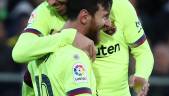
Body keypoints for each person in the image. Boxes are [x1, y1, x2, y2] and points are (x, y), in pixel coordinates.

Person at [13, 0, 154, 96]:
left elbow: (142, 51)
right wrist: (69, 36)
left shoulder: (119, 6)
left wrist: (142, 74)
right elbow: (20, 52)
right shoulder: (46, 11)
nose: (51, 2)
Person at [25, 0, 108, 95]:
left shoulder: (36, 58)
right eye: (104, 17)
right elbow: (17, 54)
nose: (107, 23)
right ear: (84, 17)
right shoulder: (76, 58)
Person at [93, 0, 154, 95]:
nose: (109, 23)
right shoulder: (67, 8)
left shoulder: (122, 6)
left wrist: (141, 75)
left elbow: (142, 51)